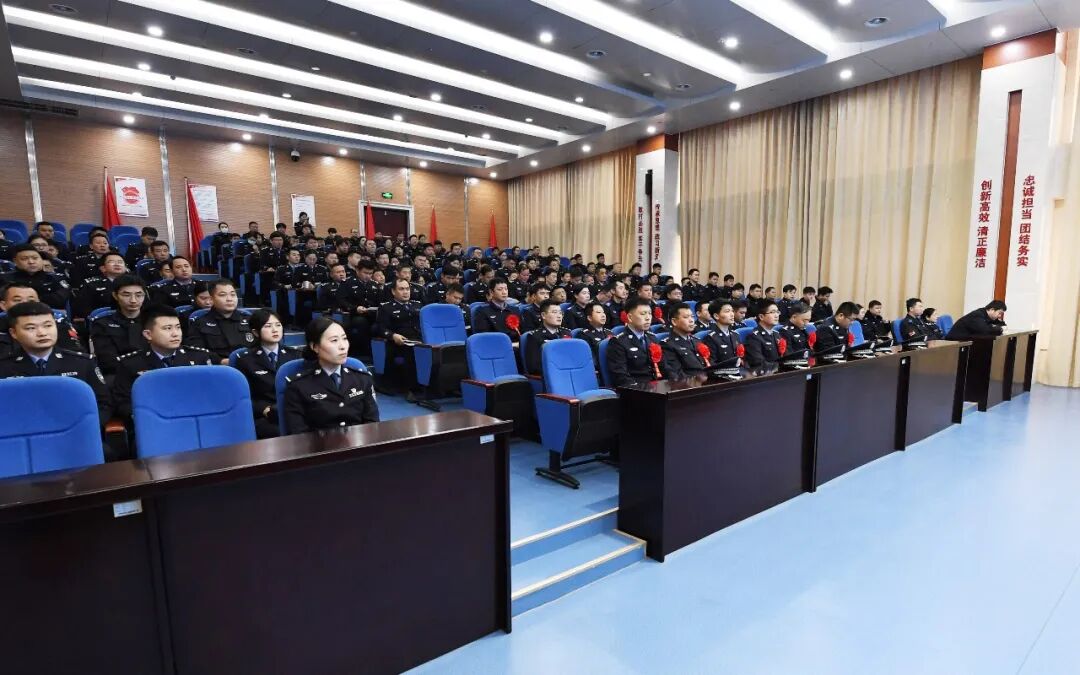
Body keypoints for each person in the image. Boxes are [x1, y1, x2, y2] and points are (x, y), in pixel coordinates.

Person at [0, 301, 112, 425]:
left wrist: (80, 427)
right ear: (14, 333)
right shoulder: (4, 367)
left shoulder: (82, 363)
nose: (42, 333)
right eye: (31, 328)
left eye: (48, 325)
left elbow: (103, 405)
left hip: (75, 430)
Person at [111, 305, 213, 422]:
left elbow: (210, 395)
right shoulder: (131, 364)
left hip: (195, 420)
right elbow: (123, 403)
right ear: (148, 334)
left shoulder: (199, 357)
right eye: (167, 328)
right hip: (153, 423)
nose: (175, 334)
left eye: (178, 327)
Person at [283, 318, 378, 433]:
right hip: (319, 444)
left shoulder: (362, 378)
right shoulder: (299, 385)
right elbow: (299, 433)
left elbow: (372, 424)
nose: (342, 346)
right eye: (334, 340)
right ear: (315, 346)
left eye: (344, 338)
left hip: (358, 442)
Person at [233, 309, 301, 439]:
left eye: (278, 325)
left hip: (292, 410)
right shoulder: (245, 360)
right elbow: (243, 396)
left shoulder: (295, 355)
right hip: (265, 415)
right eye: (268, 326)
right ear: (255, 332)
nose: (275, 330)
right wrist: (263, 408)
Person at [89, 275, 149, 375]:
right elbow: (107, 361)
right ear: (115, 295)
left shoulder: (154, 321)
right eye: (126, 295)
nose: (133, 300)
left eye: (139, 295)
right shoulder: (102, 324)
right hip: (119, 374)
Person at [185, 278, 252, 363]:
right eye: (222, 295)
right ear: (212, 299)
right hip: (217, 367)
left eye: (233, 294)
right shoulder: (199, 323)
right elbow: (196, 351)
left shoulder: (250, 320)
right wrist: (220, 361)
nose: (229, 299)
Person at [374, 277, 422, 392]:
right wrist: (393, 335)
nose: (405, 292)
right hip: (399, 342)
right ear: (393, 291)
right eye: (401, 289)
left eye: (407, 289)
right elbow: (380, 328)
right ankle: (413, 390)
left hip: (419, 340)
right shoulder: (386, 307)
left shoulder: (418, 305)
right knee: (410, 352)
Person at [606, 297, 662, 387]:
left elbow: (663, 366)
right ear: (630, 317)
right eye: (643, 314)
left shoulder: (652, 338)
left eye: (650, 313)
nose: (648, 318)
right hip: (636, 388)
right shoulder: (618, 342)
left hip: (657, 386)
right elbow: (621, 376)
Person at [2, 244, 71, 310]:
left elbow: (61, 298)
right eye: (24, 259)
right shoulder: (4, 278)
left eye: (35, 258)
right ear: (15, 261)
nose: (31, 262)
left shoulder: (56, 278)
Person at [660, 302, 710, 380]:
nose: (691, 320)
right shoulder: (668, 345)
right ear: (674, 322)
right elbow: (676, 374)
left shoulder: (696, 340)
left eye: (692, 317)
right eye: (686, 317)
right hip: (689, 384)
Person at [72, 251, 128, 317]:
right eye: (111, 262)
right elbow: (82, 309)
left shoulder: (134, 283)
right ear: (102, 268)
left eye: (120, 262)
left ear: (126, 268)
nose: (117, 264)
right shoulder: (91, 284)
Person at [524, 300, 572, 375]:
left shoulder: (567, 333)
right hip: (550, 375)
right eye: (554, 312)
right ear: (543, 315)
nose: (559, 316)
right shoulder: (535, 336)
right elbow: (534, 367)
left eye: (560, 313)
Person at [701, 300, 743, 369]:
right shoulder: (711, 338)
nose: (732, 314)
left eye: (732, 311)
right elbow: (712, 365)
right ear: (716, 316)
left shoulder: (735, 335)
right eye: (727, 311)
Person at [743, 301, 783, 369]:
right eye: (772, 312)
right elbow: (758, 362)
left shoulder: (776, 334)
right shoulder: (753, 337)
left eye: (777, 312)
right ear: (761, 317)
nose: (776, 315)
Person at [577, 302, 612, 369]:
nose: (603, 315)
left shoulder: (610, 332)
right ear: (589, 318)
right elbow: (589, 358)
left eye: (603, 312)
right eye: (598, 312)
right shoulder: (584, 335)